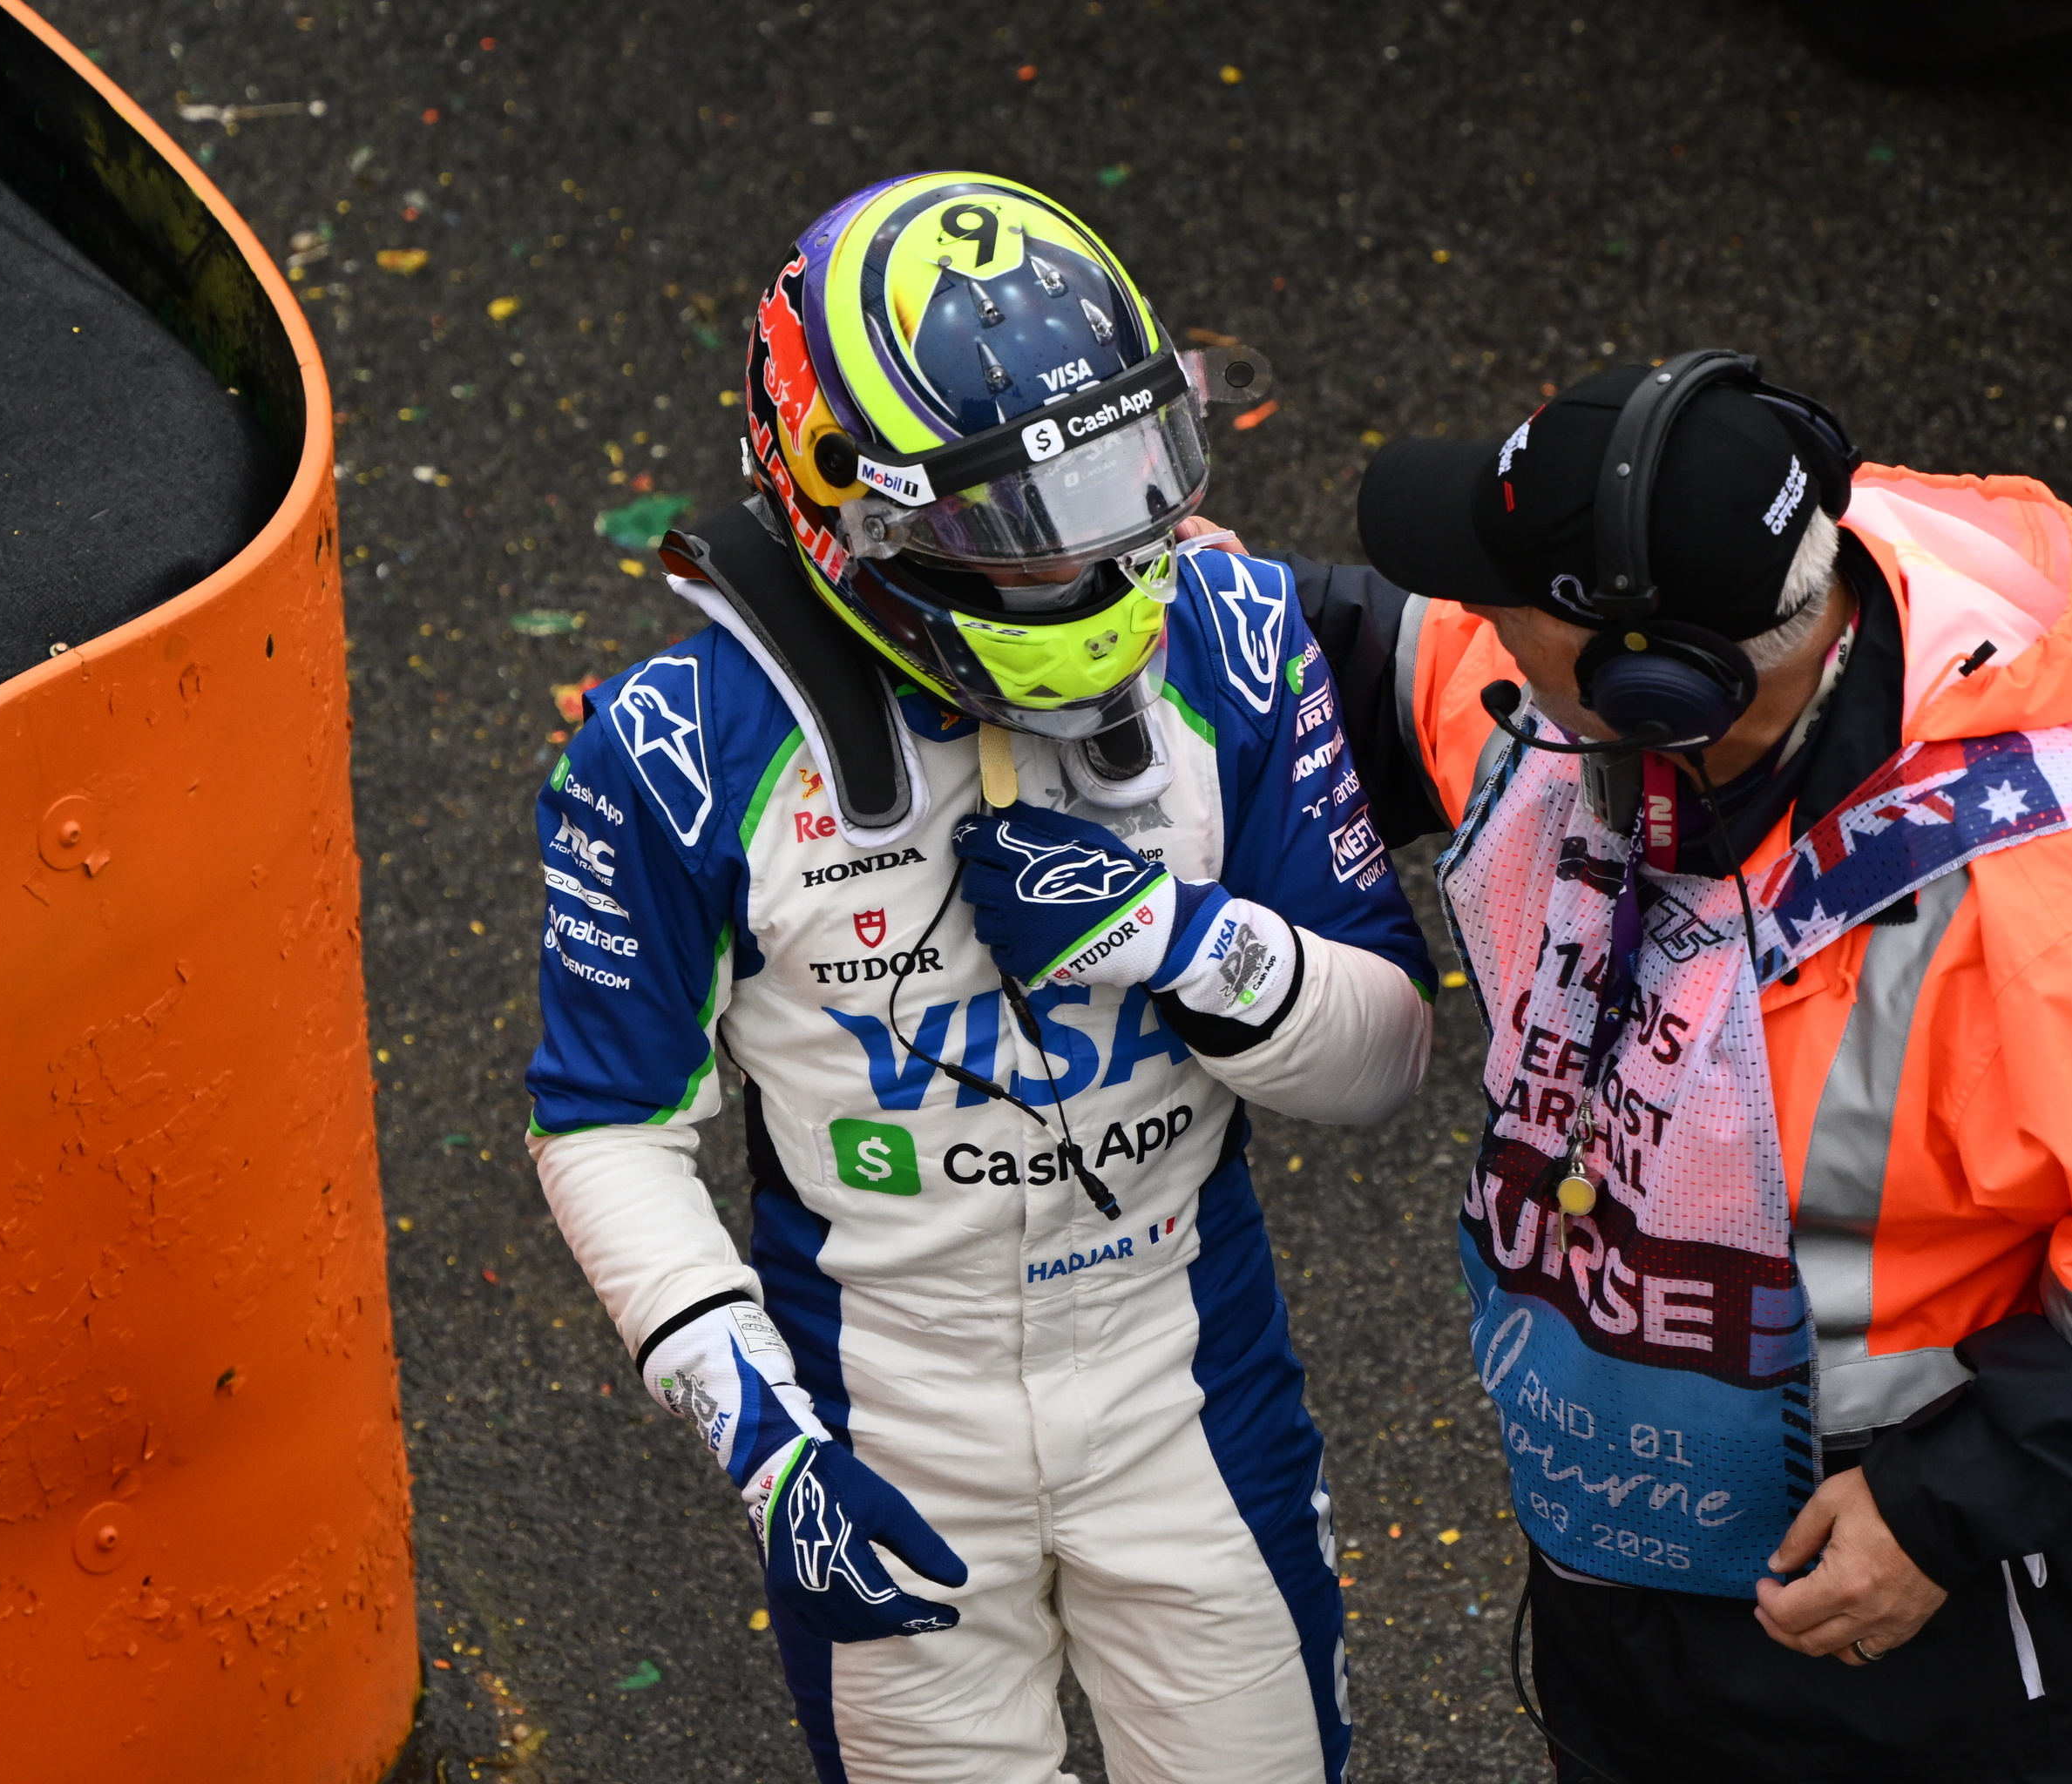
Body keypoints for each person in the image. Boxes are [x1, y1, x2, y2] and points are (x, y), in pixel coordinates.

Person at [1290, 353, 2072, 1781]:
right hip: (1637, 1588)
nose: (1472, 621)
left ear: (1656, 680)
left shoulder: (2064, 911)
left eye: (1504, 599)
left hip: (1949, 1643)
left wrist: (1938, 1513)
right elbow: (1351, 657)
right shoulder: (1618, 679)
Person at [524, 172, 1433, 1784]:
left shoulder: (1229, 630)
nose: (1076, 558)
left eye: (1110, 476)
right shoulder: (672, 745)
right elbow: (606, 1122)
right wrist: (764, 1442)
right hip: (882, 1413)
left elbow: (1383, 1062)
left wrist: (1175, 939)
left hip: (1188, 1382)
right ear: (839, 494)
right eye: (1006, 518)